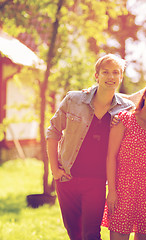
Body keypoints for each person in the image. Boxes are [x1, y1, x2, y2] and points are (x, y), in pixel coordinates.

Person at [46, 54, 134, 240]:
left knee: (91, 234)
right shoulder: (74, 100)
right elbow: (53, 132)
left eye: (115, 73)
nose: (110, 77)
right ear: (97, 75)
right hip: (67, 177)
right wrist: (55, 170)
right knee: (74, 234)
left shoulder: (126, 109)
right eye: (105, 72)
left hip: (97, 181)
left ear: (121, 77)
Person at [102, 79, 146, 240]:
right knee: (119, 235)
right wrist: (112, 191)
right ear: (145, 96)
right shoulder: (125, 119)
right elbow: (111, 156)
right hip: (123, 189)